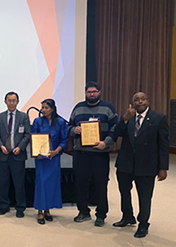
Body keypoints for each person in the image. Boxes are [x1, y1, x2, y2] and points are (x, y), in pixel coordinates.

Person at [112, 92, 169, 238]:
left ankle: (143, 224)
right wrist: (125, 118)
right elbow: (116, 134)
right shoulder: (128, 117)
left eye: (143, 99)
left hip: (147, 165)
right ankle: (127, 217)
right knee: (124, 192)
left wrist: (163, 167)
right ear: (133, 103)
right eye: (136, 100)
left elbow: (163, 145)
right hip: (125, 164)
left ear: (148, 101)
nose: (140, 102)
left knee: (144, 196)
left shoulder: (158, 118)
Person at [68, 81, 118, 227]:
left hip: (99, 153)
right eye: (89, 92)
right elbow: (69, 126)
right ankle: (83, 211)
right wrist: (74, 130)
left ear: (99, 92)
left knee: (101, 184)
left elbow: (115, 128)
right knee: (80, 183)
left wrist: (106, 142)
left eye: (94, 91)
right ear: (85, 93)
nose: (91, 94)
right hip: (81, 153)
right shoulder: (78, 107)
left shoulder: (108, 108)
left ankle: (101, 214)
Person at [31, 99, 68, 224]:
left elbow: (64, 140)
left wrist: (56, 151)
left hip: (54, 158)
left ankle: (48, 210)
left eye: (46, 107)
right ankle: (40, 212)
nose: (43, 110)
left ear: (52, 109)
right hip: (41, 159)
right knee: (41, 183)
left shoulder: (61, 122)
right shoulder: (37, 121)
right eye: (42, 107)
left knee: (51, 184)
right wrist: (37, 153)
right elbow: (34, 138)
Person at [0, 91, 30, 218]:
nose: (11, 103)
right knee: (2, 182)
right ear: (5, 102)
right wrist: (1, 146)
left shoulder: (24, 117)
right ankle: (4, 206)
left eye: (14, 100)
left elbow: (27, 135)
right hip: (3, 155)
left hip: (18, 155)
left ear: (18, 102)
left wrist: (20, 147)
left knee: (19, 183)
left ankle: (20, 207)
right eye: (9, 100)